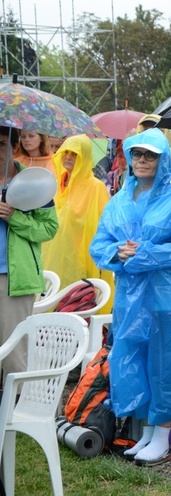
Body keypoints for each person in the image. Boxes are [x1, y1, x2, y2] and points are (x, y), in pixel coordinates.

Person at [89, 128, 171, 465]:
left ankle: (162, 435)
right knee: (132, 361)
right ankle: (148, 431)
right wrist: (117, 254)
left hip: (165, 297)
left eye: (149, 155)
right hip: (129, 298)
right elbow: (100, 243)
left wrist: (144, 253)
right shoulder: (119, 199)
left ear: (163, 160)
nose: (142, 160)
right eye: (137, 154)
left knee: (162, 363)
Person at [0, 127, 58, 383]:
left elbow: (48, 228)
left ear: (14, 147)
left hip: (14, 278)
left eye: (1, 144)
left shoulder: (34, 182)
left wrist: (15, 217)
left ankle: (17, 417)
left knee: (13, 352)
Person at [43, 135, 114, 307]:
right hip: (52, 259)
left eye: (74, 154)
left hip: (80, 261)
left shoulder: (95, 187)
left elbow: (104, 225)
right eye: (65, 152)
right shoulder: (56, 184)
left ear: (85, 156)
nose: (68, 157)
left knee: (76, 307)